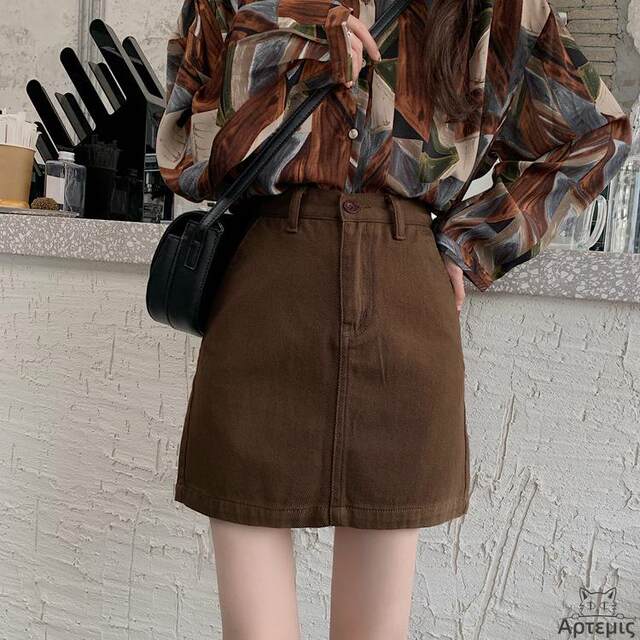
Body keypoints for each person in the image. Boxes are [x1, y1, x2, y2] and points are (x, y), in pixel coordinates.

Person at [156, 0, 632, 638]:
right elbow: (182, 147)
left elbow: (598, 133)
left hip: (404, 303)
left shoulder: (495, 8)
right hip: (264, 296)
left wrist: (474, 241)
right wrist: (303, 50)